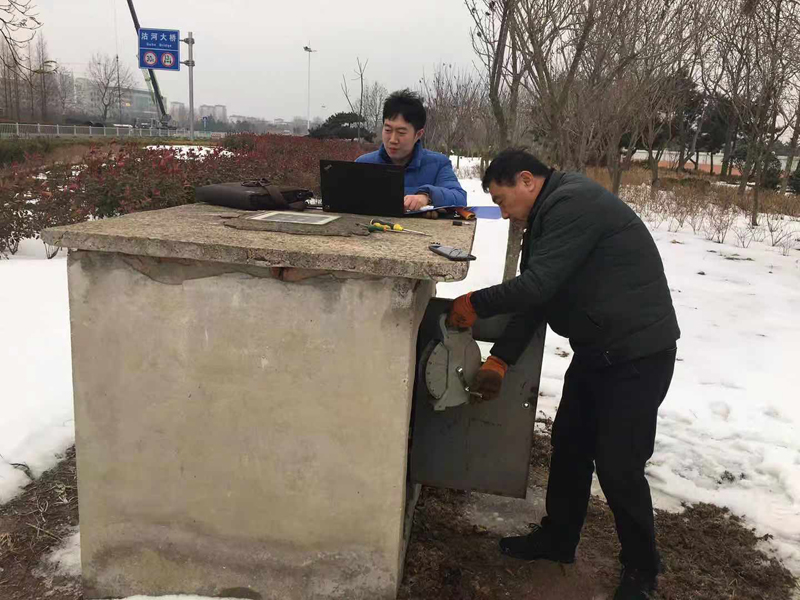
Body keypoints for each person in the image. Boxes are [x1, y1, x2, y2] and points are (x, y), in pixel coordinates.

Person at [447, 149, 680, 600]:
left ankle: (642, 567)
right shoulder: (550, 213)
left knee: (619, 466)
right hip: (598, 351)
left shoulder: (572, 203)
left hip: (638, 355)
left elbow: (536, 286)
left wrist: (476, 303)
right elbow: (541, 296)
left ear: (526, 180)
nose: (503, 212)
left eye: (501, 200)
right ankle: (558, 538)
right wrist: (501, 359)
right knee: (570, 446)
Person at [356, 89, 467, 213]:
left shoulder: (438, 164)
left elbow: (460, 198)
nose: (392, 140)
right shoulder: (363, 164)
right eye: (388, 130)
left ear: (418, 134)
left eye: (401, 133)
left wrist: (427, 196)